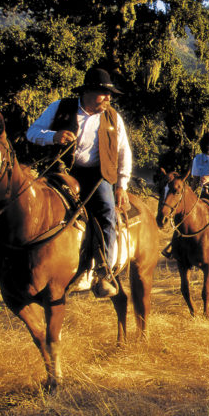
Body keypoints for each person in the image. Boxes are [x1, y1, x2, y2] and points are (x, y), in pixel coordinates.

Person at [27, 66, 132, 297]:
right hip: (61, 171)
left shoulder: (113, 117)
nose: (108, 98)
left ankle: (104, 272)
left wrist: (122, 185)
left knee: (106, 212)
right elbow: (31, 132)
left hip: (97, 175)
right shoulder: (60, 107)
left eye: (110, 94)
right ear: (87, 92)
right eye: (104, 93)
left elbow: (124, 153)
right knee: (28, 202)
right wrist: (52, 136)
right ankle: (11, 261)